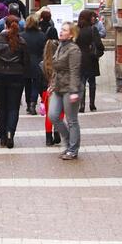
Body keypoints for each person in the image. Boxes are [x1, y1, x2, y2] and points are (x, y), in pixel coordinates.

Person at [0, 15, 29, 148]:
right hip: (16, 76)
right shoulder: (21, 42)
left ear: (5, 25)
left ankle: (2, 135)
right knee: (13, 107)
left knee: (2, 106)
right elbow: (26, 61)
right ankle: (10, 133)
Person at [48, 21, 82, 160]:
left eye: (65, 30)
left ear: (71, 34)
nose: (61, 32)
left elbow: (75, 71)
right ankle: (68, 141)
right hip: (59, 87)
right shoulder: (60, 46)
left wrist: (74, 91)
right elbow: (56, 68)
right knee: (53, 115)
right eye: (61, 29)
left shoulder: (74, 50)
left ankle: (73, 149)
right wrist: (52, 84)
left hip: (70, 87)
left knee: (72, 120)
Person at [76, 9, 104, 113]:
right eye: (91, 16)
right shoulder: (93, 29)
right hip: (91, 58)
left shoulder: (76, 29)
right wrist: (100, 50)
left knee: (81, 82)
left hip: (79, 58)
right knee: (92, 82)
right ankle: (92, 104)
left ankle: (81, 105)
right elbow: (99, 44)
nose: (93, 18)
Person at [22, 15, 46, 115]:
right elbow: (44, 50)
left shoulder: (22, 35)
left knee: (27, 84)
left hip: (25, 62)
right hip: (38, 62)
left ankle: (28, 103)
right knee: (36, 84)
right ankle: (32, 102)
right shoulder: (42, 35)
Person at [41, 39, 62, 147]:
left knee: (49, 115)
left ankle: (48, 138)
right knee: (60, 113)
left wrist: (41, 93)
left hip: (46, 91)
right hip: (58, 90)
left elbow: (39, 81)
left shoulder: (42, 64)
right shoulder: (60, 62)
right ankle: (57, 131)